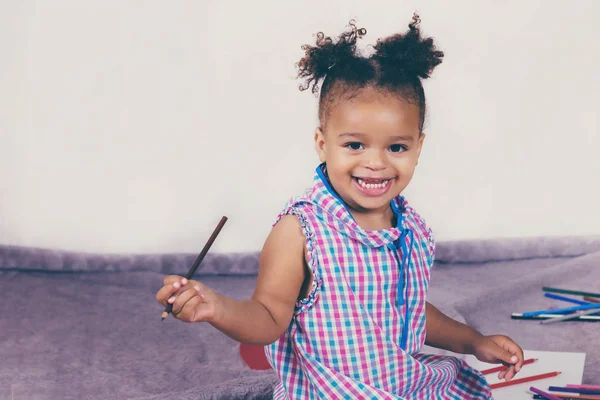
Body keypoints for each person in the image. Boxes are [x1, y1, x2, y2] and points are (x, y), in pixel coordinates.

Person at [156, 13, 524, 399]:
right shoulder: (301, 230)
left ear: (419, 147)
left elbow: (405, 310)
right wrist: (216, 308)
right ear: (322, 142)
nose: (376, 162)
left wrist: (473, 341)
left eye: (396, 147)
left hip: (406, 386)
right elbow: (267, 317)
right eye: (354, 145)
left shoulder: (408, 225)